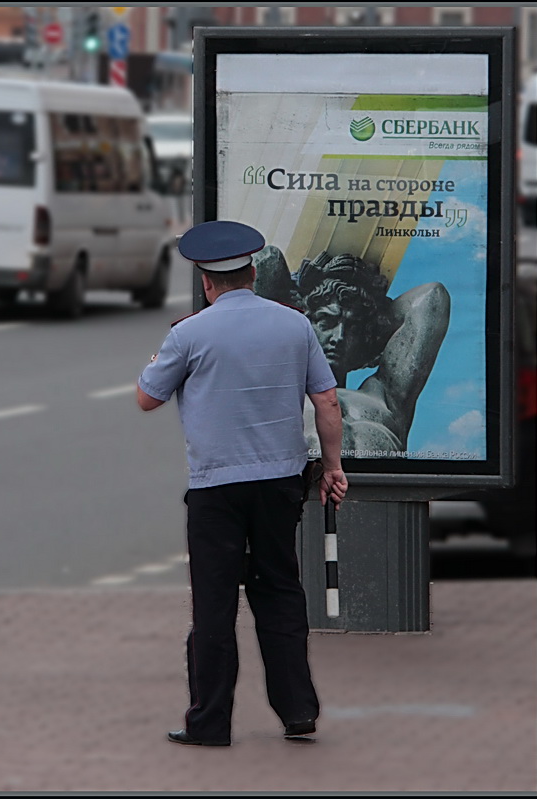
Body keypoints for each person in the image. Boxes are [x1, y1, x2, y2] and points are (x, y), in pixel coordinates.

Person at [137, 220, 348, 746]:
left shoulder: (189, 333)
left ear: (206, 282)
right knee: (279, 590)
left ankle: (209, 724)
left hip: (215, 488)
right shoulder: (295, 325)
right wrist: (334, 466)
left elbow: (147, 397)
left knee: (213, 602)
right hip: (280, 483)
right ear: (252, 273)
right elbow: (326, 401)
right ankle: (298, 710)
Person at [293, 251, 451, 454]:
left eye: (353, 328)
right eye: (326, 321)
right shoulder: (281, 390)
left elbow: (432, 297)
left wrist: (373, 320)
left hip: (380, 486)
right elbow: (267, 260)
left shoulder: (385, 398)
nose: (340, 336)